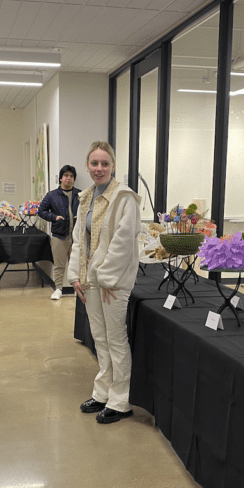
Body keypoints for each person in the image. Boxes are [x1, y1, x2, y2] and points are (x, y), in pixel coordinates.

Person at [68, 141, 141, 424]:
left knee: (116, 339)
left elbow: (123, 243)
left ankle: (120, 400)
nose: (99, 169)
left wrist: (108, 277)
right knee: (100, 338)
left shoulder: (125, 198)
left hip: (113, 283)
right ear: (87, 166)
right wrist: (76, 276)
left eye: (105, 164)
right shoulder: (85, 198)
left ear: (113, 166)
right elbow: (79, 240)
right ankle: (102, 393)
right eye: (94, 163)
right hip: (90, 281)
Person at [39, 164, 81, 300]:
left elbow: (89, 210)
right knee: (59, 265)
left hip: (77, 237)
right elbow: (41, 211)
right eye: (66, 176)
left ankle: (77, 290)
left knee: (77, 265)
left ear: (74, 179)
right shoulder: (52, 195)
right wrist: (54, 217)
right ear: (61, 178)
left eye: (71, 176)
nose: (69, 178)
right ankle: (58, 289)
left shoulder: (80, 194)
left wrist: (80, 216)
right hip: (59, 236)